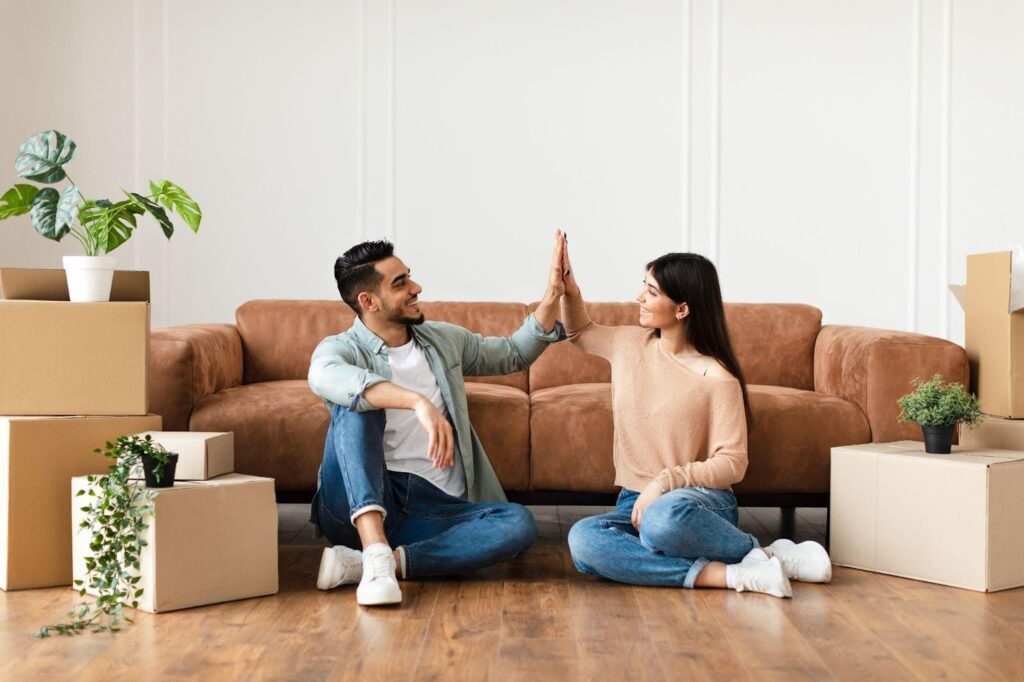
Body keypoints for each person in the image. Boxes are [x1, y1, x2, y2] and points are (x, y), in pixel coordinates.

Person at [558, 234, 831, 597]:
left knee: (661, 522)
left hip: (696, 504)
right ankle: (739, 572)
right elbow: (579, 331)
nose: (639, 297)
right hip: (633, 503)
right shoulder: (628, 345)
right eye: (644, 287)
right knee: (583, 540)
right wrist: (567, 286)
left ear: (682, 309)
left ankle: (754, 550)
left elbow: (733, 463)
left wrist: (664, 483)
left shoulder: (716, 377)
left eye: (652, 292)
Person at [308, 234, 566, 606]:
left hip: (433, 509)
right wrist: (415, 402)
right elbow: (323, 377)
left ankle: (378, 564)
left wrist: (552, 294)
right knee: (355, 406)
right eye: (400, 284)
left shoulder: (443, 340)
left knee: (518, 525)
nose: (416, 288)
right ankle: (374, 545)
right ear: (368, 301)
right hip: (357, 502)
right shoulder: (341, 348)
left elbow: (512, 354)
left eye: (409, 277)